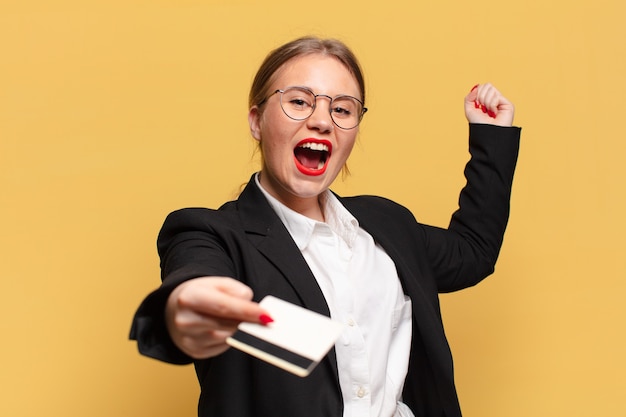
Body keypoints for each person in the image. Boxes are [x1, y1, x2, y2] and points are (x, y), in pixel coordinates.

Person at [130, 36, 521, 417]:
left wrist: (492, 136)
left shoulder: (389, 225)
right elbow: (192, 281)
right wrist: (184, 311)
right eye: (299, 101)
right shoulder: (210, 233)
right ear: (256, 121)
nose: (321, 120)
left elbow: (473, 251)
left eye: (343, 109)